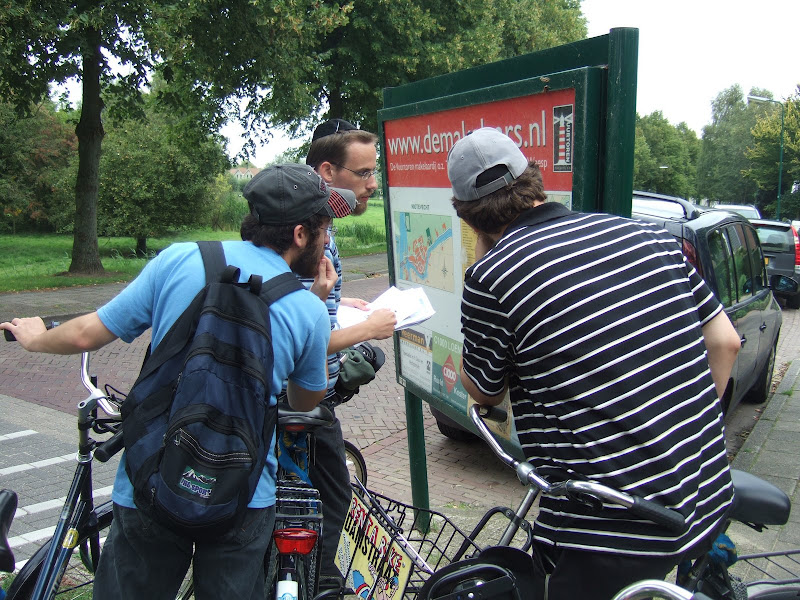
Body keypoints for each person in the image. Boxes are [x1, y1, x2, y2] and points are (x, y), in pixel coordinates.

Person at [0, 164, 356, 600]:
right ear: (301, 234)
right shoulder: (308, 310)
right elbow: (303, 398)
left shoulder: (179, 258)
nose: (327, 239)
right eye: (324, 228)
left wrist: (35, 339)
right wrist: (315, 305)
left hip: (151, 473)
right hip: (244, 492)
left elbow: (85, 334)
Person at [446, 128, 742, 600]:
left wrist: (487, 259)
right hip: (705, 492)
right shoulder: (650, 235)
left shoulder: (491, 276)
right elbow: (725, 342)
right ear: (534, 178)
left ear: (466, 214)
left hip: (608, 527)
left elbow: (484, 389)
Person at [300, 119, 397, 590]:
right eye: (363, 173)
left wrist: (343, 305)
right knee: (333, 500)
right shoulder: (311, 235)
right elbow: (298, 336)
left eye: (374, 172)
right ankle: (318, 585)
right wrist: (367, 329)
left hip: (312, 391)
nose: (373, 184)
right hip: (303, 397)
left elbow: (311, 304)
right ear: (327, 172)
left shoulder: (326, 229)